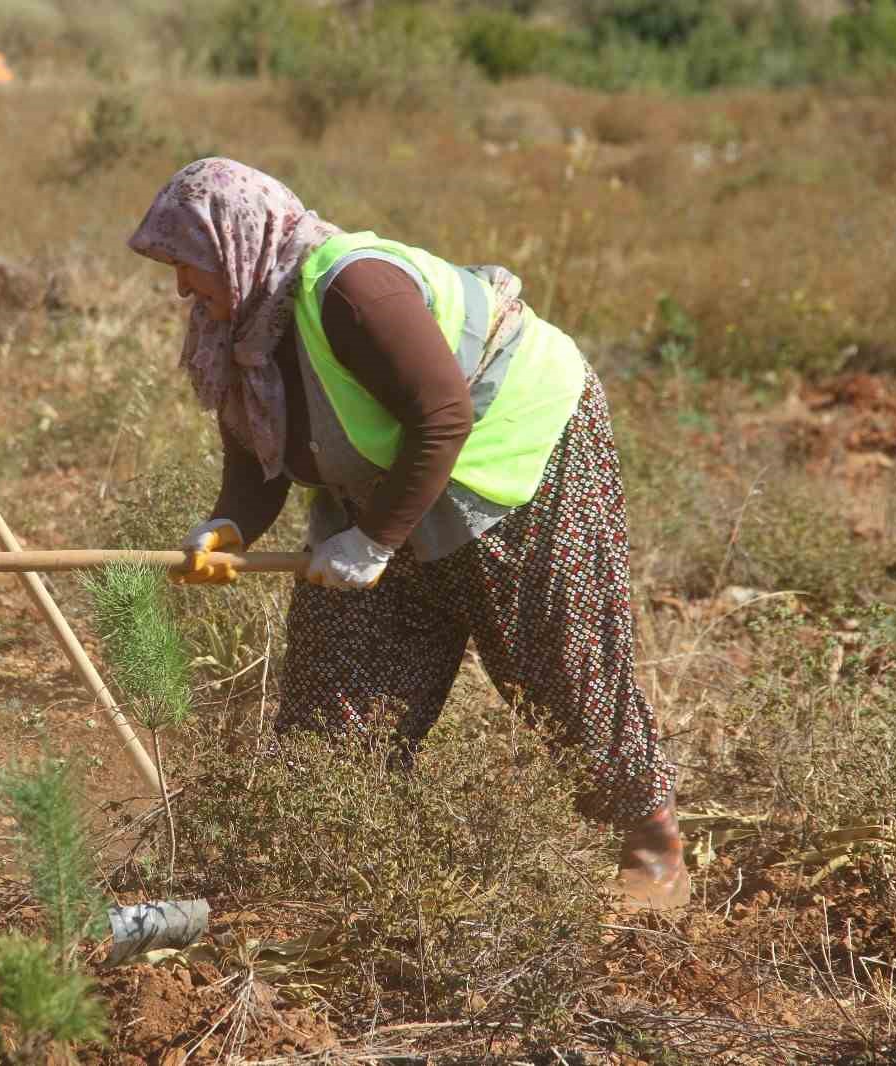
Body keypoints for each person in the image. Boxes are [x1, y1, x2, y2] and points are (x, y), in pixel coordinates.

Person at [128, 158, 690, 911]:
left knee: (557, 659)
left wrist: (373, 540)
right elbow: (260, 455)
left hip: (514, 449)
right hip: (387, 480)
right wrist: (228, 524)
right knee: (339, 685)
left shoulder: (352, 290)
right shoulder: (238, 330)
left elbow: (443, 413)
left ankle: (654, 848)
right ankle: (341, 864)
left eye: (191, 266)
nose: (180, 289)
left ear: (239, 243)